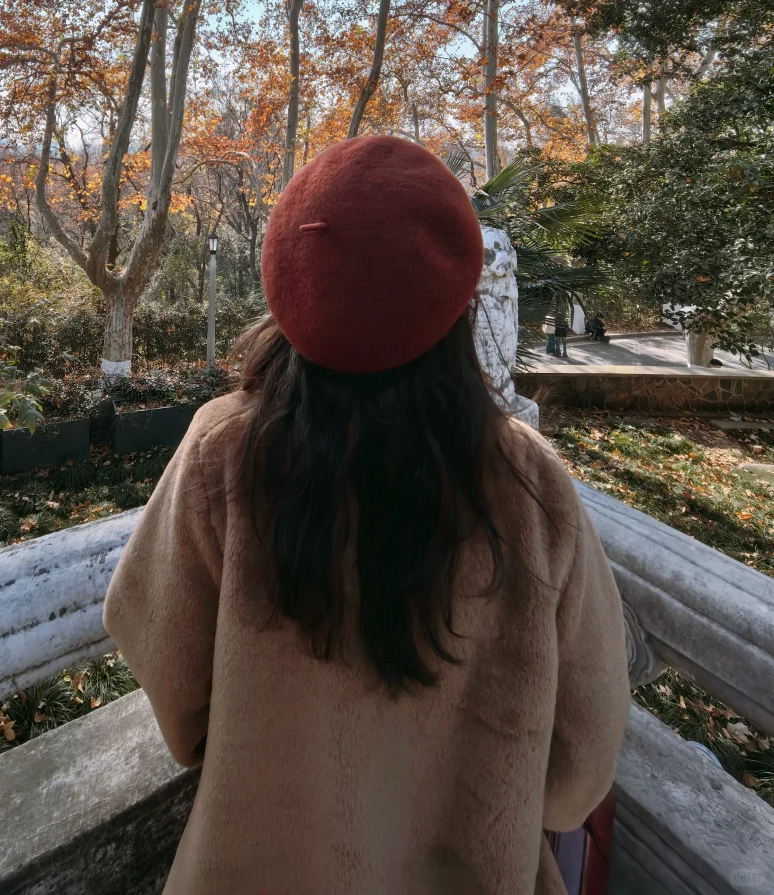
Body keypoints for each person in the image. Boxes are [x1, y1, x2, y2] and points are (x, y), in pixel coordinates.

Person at [104, 136, 630, 895]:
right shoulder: (530, 485)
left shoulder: (222, 456)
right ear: (456, 293)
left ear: (288, 281)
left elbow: (173, 687)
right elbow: (579, 765)